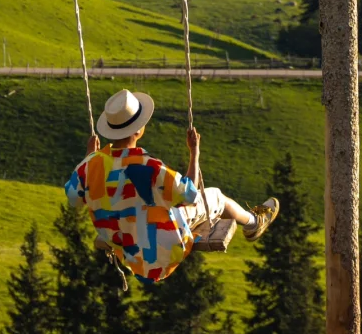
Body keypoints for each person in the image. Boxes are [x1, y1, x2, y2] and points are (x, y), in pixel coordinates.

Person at [64, 87, 279, 284]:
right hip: (160, 253)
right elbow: (189, 195)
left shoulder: (91, 165)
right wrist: (194, 153)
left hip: (126, 248)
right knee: (217, 198)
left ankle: (253, 223)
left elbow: (75, 198)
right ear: (138, 130)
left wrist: (89, 156)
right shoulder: (147, 166)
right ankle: (254, 223)